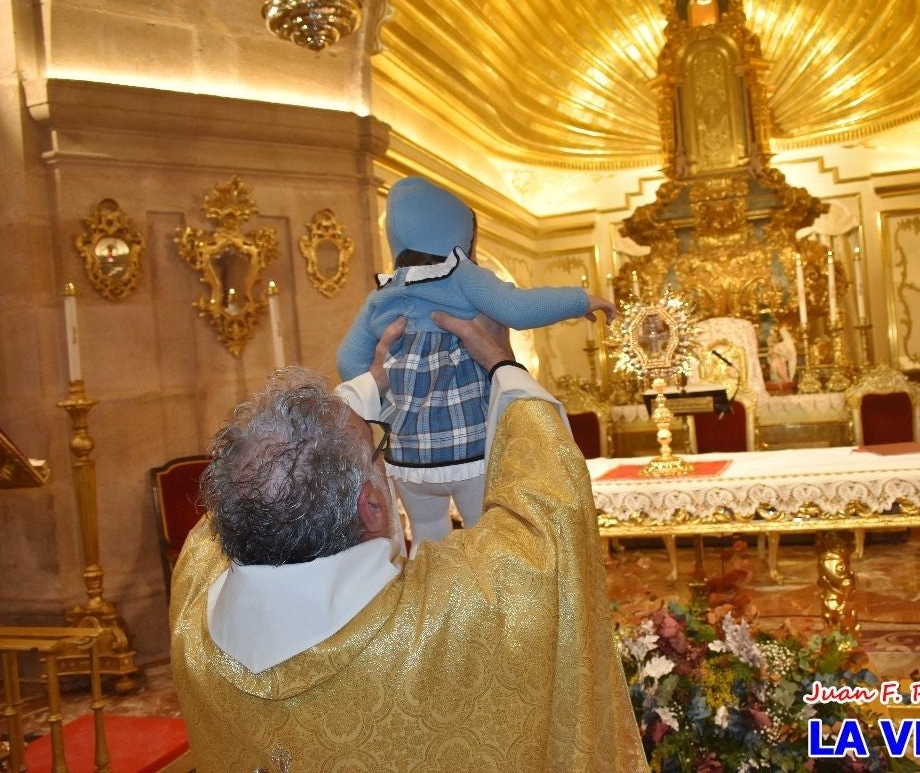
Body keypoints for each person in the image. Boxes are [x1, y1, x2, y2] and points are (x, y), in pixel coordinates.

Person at [171, 312, 647, 773]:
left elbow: (269, 476)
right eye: (378, 445)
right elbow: (550, 519)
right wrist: (504, 368)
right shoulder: (465, 610)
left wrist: (368, 387)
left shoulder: (193, 592)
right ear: (372, 508)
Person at [336, 176, 614, 545]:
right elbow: (517, 307)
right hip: (470, 445)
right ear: (456, 230)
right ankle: (486, 600)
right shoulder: (461, 275)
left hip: (408, 455)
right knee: (487, 538)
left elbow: (348, 360)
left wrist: (389, 400)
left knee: (426, 539)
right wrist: (581, 301)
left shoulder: (383, 294)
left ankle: (432, 601)